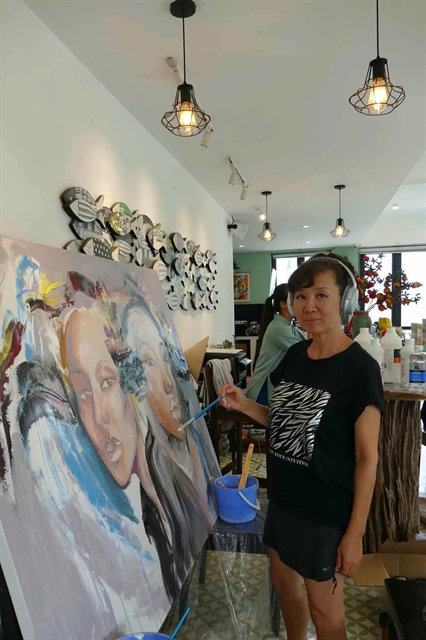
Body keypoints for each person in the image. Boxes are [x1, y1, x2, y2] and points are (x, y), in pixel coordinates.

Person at [220, 253, 384, 640]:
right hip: (283, 501)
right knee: (285, 587)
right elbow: (283, 421)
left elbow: (367, 457)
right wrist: (245, 405)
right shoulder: (295, 355)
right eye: (301, 296)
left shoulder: (360, 369)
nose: (309, 306)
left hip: (325, 513)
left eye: (321, 295)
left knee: (325, 613)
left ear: (345, 302)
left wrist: (354, 534)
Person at [246, 283, 305, 405]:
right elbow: (303, 350)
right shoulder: (278, 328)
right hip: (262, 391)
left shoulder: (287, 326)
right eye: (296, 299)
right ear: (283, 304)